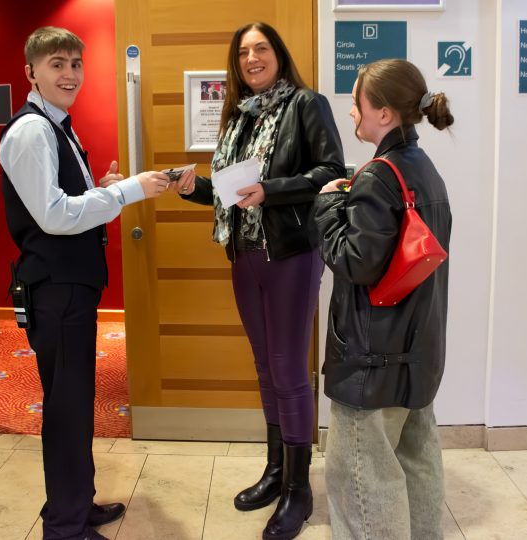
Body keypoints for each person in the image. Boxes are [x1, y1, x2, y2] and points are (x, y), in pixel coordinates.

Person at [0, 26, 172, 540]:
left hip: (70, 284)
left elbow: (59, 201)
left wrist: (100, 190)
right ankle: (65, 526)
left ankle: (76, 502)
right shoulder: (31, 130)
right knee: (67, 408)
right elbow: (52, 216)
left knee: (73, 403)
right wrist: (126, 195)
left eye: (76, 63)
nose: (70, 73)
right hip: (55, 288)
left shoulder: (57, 126)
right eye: (57, 63)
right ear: (31, 72)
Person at [175, 21, 346, 540]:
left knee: (288, 367)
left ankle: (299, 489)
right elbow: (232, 193)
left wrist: (270, 189)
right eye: (244, 52)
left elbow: (331, 172)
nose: (252, 58)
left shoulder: (306, 104)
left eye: (261, 49)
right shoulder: (238, 116)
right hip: (244, 252)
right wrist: (193, 188)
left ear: (278, 54)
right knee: (263, 365)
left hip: (291, 252)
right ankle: (276, 471)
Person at [313, 58, 453, 539]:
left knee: (362, 484)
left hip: (372, 359)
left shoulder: (378, 175)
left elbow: (355, 263)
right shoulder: (422, 167)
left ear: (386, 115)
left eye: (358, 104)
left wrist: (328, 207)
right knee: (416, 463)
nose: (352, 112)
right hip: (417, 352)